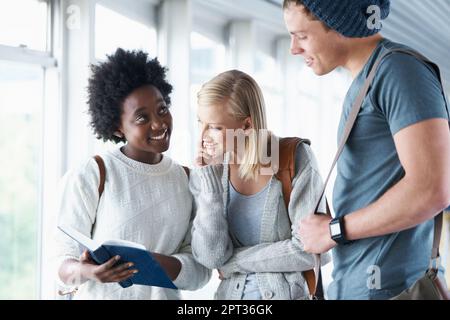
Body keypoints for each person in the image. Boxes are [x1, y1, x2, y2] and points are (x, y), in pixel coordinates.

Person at [282, 0, 450, 299]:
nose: (293, 49)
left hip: (394, 291)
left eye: (303, 36)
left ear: (339, 24)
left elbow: (431, 189)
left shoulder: (399, 71)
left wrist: (333, 230)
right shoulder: (369, 79)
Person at [55, 48, 210, 299]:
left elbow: (201, 272)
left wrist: (149, 263)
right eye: (142, 118)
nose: (159, 124)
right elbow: (61, 262)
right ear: (117, 128)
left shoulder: (188, 179)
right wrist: (89, 272)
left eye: (162, 110)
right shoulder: (94, 173)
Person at [190, 69, 330, 300]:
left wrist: (235, 261)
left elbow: (312, 251)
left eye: (215, 127)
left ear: (246, 125)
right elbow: (211, 258)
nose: (203, 136)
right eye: (200, 123)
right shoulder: (207, 172)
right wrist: (210, 185)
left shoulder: (291, 158)